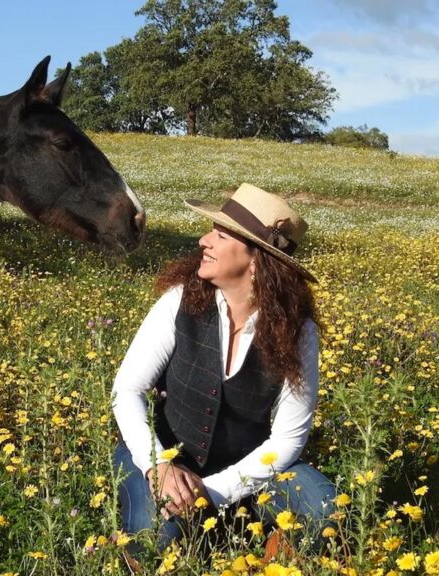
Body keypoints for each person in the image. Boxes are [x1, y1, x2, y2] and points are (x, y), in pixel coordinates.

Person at [111, 183, 336, 562]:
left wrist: (212, 492)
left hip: (246, 472)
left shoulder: (298, 333)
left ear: (257, 259)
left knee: (325, 510)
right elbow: (127, 390)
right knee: (154, 540)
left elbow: (288, 438)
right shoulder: (179, 301)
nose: (204, 240)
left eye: (220, 234)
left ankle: (272, 562)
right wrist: (158, 464)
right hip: (159, 460)